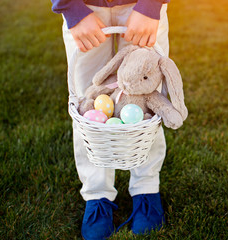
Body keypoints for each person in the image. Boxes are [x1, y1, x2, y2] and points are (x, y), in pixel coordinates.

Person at [51, 0, 170, 239]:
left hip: (141, 6)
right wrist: (70, 8)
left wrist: (150, 5)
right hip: (84, 8)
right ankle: (97, 195)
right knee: (88, 100)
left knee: (146, 96)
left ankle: (146, 189)